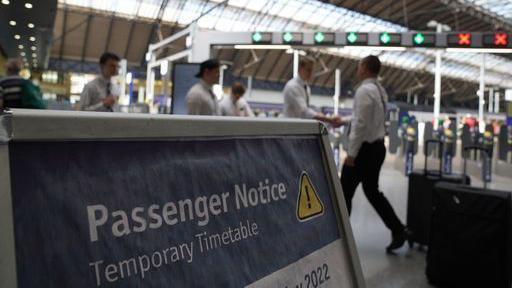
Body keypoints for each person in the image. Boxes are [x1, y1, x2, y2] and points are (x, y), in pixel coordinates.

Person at [341, 55, 409, 253]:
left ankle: (340, 238)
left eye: (359, 66)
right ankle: (398, 230)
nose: (357, 70)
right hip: (377, 148)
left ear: (365, 68)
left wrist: (351, 154)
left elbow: (361, 125)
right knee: (372, 192)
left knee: (344, 191)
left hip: (364, 150)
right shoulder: (380, 91)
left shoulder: (364, 90)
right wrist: (344, 120)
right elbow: (366, 119)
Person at [282, 58, 342, 127]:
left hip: (299, 126)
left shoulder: (306, 87)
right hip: (291, 127)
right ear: (300, 69)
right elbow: (304, 111)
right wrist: (328, 119)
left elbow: (307, 107)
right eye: (308, 70)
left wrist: (322, 115)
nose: (311, 73)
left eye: (312, 70)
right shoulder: (292, 87)